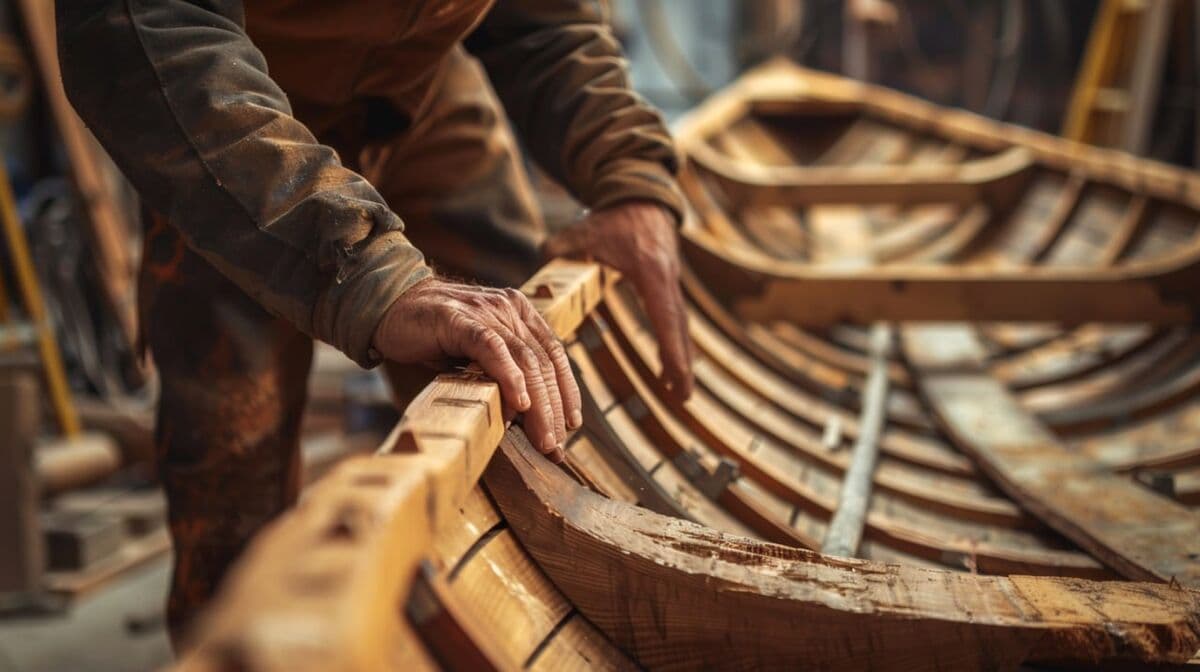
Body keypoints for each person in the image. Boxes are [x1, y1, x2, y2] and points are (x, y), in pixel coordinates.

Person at [57, 0, 695, 643]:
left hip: (420, 90)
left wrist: (628, 168)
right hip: (225, 120)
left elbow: (547, 20)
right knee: (231, 482)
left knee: (528, 382)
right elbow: (146, 31)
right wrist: (375, 280)